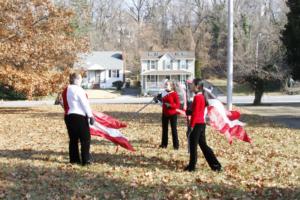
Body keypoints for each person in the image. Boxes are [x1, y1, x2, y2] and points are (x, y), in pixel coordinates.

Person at [184, 78, 221, 172]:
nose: (191, 86)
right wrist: (189, 111)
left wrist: (191, 126)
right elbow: (196, 111)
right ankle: (215, 165)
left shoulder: (197, 97)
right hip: (201, 124)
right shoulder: (200, 96)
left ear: (197, 86)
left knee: (193, 146)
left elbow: (196, 114)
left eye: (192, 84)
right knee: (203, 146)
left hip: (196, 124)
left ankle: (192, 167)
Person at [61, 72, 94, 166]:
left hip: (68, 116)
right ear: (76, 80)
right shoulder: (78, 90)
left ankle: (74, 159)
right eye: (80, 79)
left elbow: (63, 103)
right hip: (79, 116)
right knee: (85, 138)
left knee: (73, 139)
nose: (81, 81)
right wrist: (90, 115)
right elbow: (84, 103)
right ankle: (86, 160)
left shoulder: (65, 90)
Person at [158, 80, 180, 149]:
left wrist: (170, 105)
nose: (165, 86)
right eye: (165, 85)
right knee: (164, 129)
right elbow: (161, 103)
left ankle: (176, 146)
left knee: (174, 130)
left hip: (173, 114)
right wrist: (157, 99)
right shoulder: (163, 93)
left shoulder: (174, 94)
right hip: (165, 113)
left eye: (167, 85)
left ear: (171, 86)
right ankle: (164, 144)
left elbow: (178, 105)